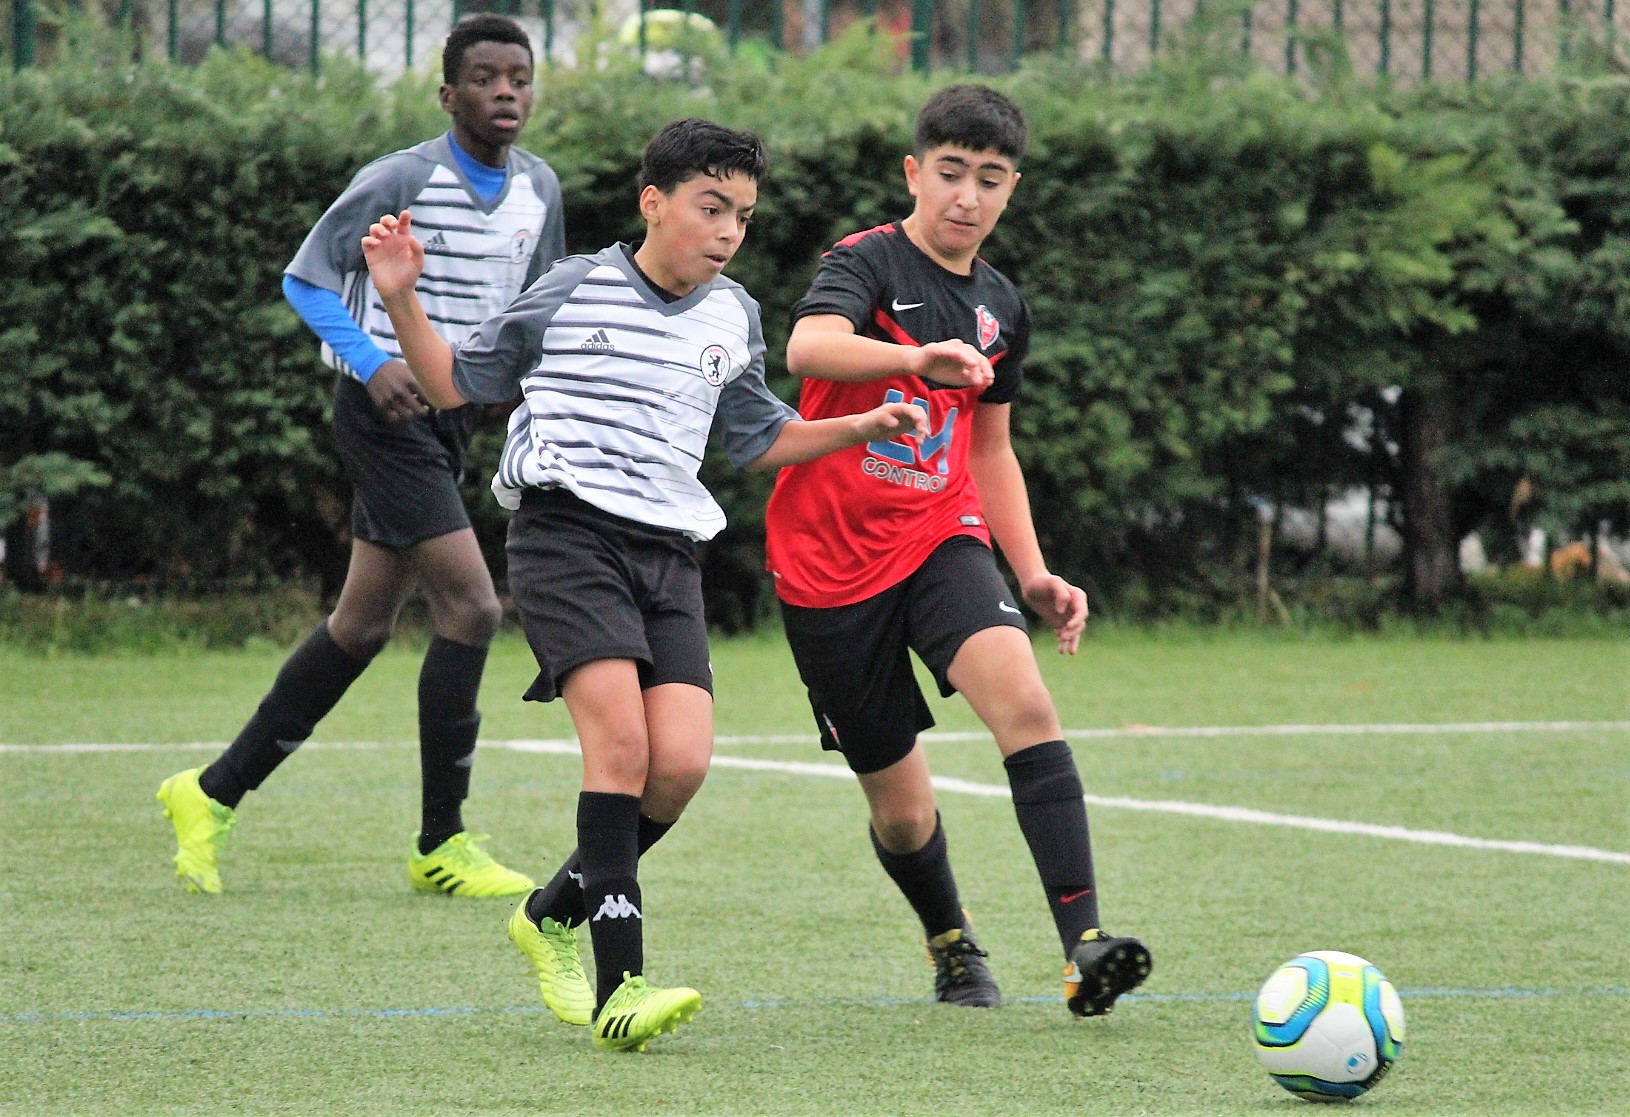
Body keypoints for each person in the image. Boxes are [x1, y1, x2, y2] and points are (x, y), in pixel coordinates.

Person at [360, 118, 929, 1052]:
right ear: (652, 202)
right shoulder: (573, 288)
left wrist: (862, 426)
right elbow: (456, 384)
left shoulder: (732, 315)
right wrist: (402, 300)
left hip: (668, 554)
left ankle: (550, 911)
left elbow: (755, 440)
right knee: (620, 753)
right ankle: (621, 987)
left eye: (742, 215)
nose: (728, 230)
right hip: (565, 538)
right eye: (711, 207)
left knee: (681, 765)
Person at [762, 83, 1153, 1017]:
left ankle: (1085, 945)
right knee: (900, 811)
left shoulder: (1003, 306)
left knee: (1023, 697)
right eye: (949, 174)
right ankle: (951, 942)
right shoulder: (866, 261)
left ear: (1012, 189)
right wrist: (911, 357)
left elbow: (990, 449)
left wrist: (1033, 570)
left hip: (941, 538)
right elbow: (808, 348)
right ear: (915, 173)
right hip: (825, 566)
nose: (966, 197)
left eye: (989, 179)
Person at [157, 14, 564, 899]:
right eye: (486, 78)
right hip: (382, 412)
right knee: (471, 605)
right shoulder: (400, 177)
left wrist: (520, 386)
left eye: (520, 78)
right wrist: (375, 361)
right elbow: (305, 277)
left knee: (361, 624)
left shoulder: (539, 189)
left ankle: (211, 791)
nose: (506, 91)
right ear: (448, 95)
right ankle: (440, 841)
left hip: (450, 421)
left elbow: (538, 309)